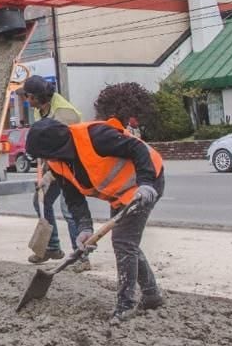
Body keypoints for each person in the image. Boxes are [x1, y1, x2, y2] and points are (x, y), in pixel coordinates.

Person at [26, 116, 166, 325]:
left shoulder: (97, 137)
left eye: (45, 156)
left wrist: (146, 182)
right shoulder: (58, 163)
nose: (46, 161)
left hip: (147, 182)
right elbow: (74, 199)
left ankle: (125, 305)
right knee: (127, 243)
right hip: (120, 193)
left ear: (55, 149)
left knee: (123, 242)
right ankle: (151, 295)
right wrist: (84, 228)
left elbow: (137, 148)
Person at [16, 76, 85, 269]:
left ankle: (80, 258)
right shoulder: (41, 109)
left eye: (27, 97)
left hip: (72, 164)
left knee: (70, 209)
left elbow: (67, 149)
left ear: (36, 97)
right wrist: (44, 166)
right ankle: (52, 247)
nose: (26, 101)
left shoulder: (64, 113)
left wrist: (50, 175)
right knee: (41, 200)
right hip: (55, 162)